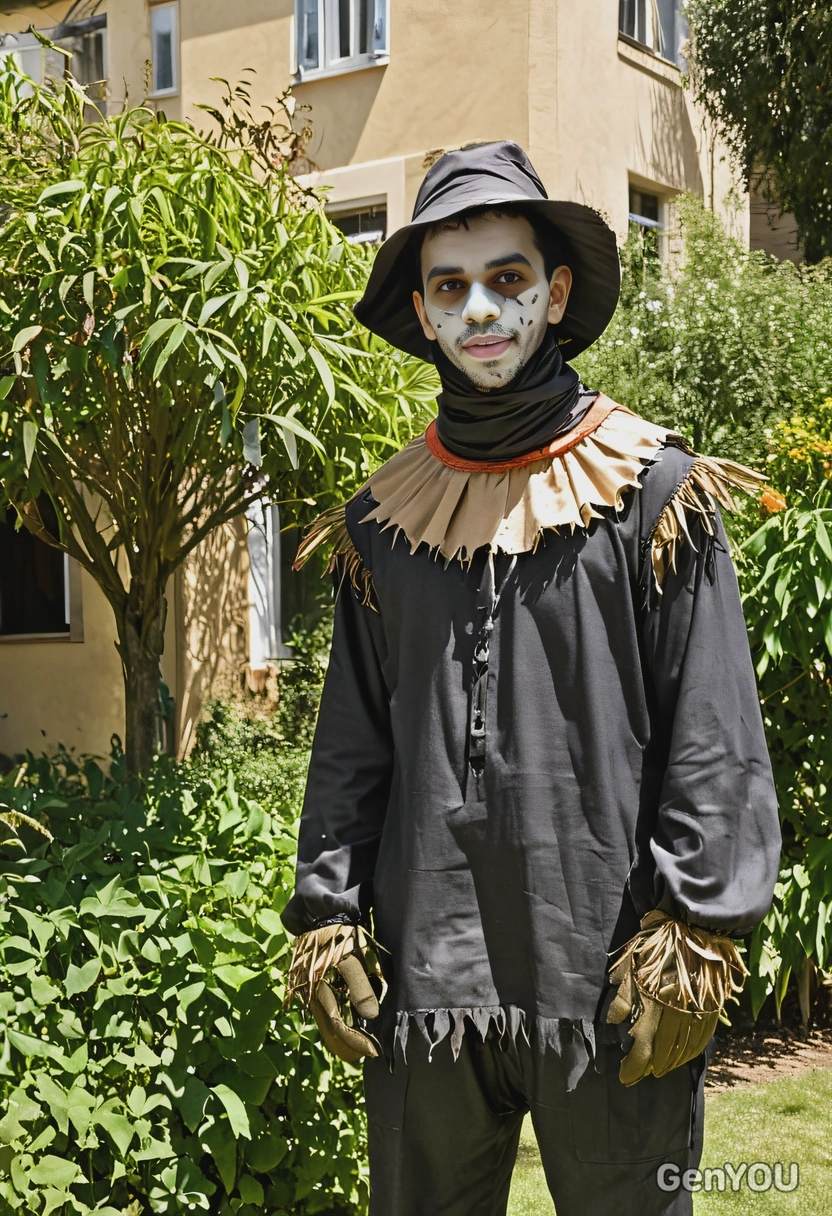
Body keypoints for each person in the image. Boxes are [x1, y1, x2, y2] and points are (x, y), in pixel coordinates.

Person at [281, 141, 781, 1216]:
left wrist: (696, 932)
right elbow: (354, 739)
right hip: (425, 977)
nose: (479, 311)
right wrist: (326, 911)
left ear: (554, 294)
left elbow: (713, 729)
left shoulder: (652, 493)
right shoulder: (382, 522)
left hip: (604, 969)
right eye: (449, 287)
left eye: (506, 279)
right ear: (420, 310)